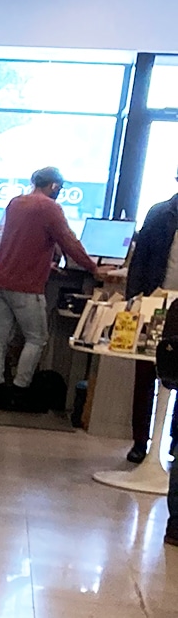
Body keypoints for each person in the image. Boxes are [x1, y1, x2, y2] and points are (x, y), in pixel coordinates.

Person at [0, 167, 107, 410]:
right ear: (54, 186)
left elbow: (24, 239)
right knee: (36, 338)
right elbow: (68, 241)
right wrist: (93, 268)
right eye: (60, 188)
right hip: (25, 286)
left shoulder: (15, 203)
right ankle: (20, 392)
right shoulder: (49, 207)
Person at [130, 168, 178, 463]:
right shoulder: (160, 214)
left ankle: (174, 443)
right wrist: (134, 300)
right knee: (146, 373)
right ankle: (139, 442)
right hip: (156, 301)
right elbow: (140, 260)